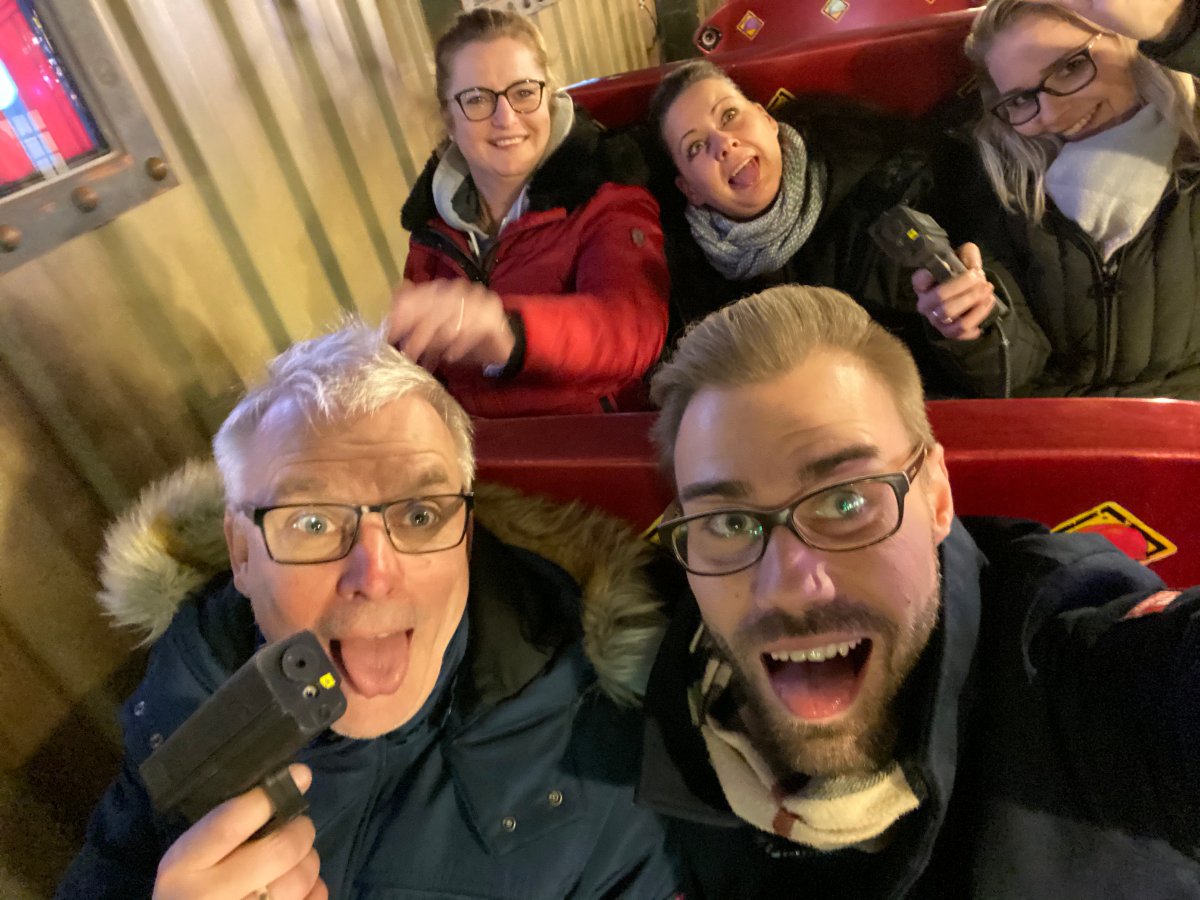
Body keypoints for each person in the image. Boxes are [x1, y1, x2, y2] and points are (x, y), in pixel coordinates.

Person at [55, 323, 680, 899]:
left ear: (466, 534)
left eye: (420, 515)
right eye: (313, 522)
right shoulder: (186, 699)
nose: (375, 575)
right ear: (242, 554)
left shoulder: (600, 741)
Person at [635, 283, 1199, 897]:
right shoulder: (665, 710)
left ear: (936, 496)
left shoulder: (1069, 665)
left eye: (846, 502)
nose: (790, 587)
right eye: (729, 523)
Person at [646, 59, 1048, 397]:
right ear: (690, 190)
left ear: (767, 120)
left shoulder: (901, 187)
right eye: (695, 147)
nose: (723, 143)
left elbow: (1020, 367)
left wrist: (973, 328)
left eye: (730, 116)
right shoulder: (685, 285)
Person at [392, 8, 670, 417]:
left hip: (585, 441)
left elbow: (633, 327)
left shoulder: (606, 196)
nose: (506, 118)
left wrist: (506, 331)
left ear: (549, 99)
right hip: (472, 444)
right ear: (449, 119)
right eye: (477, 99)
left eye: (523, 92)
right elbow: (416, 361)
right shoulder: (432, 228)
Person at [948, 0, 1200, 397]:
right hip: (1062, 425)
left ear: (1129, 39)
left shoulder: (1193, 146)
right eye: (1020, 99)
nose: (1051, 115)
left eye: (1071, 67)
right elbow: (1017, 372)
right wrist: (974, 327)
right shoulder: (1004, 184)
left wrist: (1180, 28)